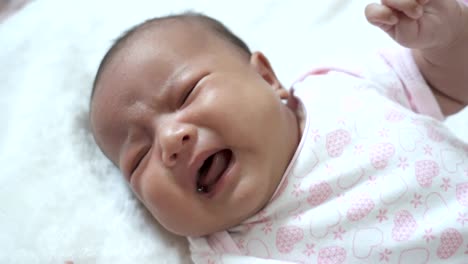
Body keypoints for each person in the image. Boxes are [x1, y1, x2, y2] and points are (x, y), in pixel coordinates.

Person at [89, 0, 468, 262]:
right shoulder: (227, 252)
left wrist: (448, 37)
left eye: (187, 93)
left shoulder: (339, 87)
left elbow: (451, 85)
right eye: (139, 158)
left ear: (266, 77)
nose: (171, 140)